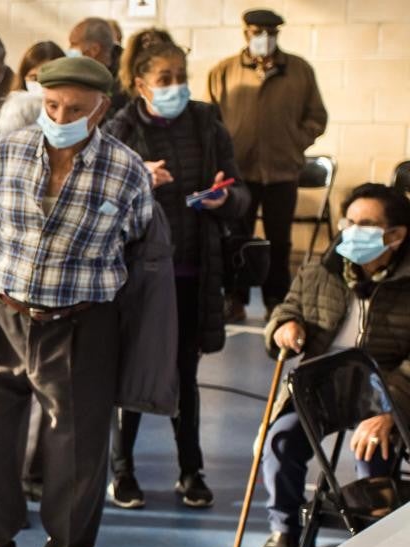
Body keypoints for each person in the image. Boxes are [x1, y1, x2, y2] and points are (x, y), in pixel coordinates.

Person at [0, 57, 154, 547]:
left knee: (77, 454)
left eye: (75, 110)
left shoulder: (127, 170)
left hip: (81, 324)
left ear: (102, 108)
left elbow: (139, 250)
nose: (59, 117)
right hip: (3, 315)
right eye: (52, 106)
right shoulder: (6, 152)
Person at [103, 29, 251, 509]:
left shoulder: (207, 122)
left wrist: (227, 199)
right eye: (164, 78)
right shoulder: (121, 128)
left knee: (186, 377)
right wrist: (137, 181)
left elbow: (241, 192)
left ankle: (192, 470)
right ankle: (122, 471)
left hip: (196, 273)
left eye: (182, 77)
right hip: (141, 280)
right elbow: (100, 206)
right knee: (134, 373)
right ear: (141, 84)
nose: (176, 86)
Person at [258, 183, 410, 547]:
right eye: (350, 222)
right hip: (321, 381)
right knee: (280, 440)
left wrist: (391, 408)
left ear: (396, 235)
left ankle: (372, 543)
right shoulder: (320, 270)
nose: (351, 231)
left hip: (384, 385)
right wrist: (284, 326)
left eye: (366, 224)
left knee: (374, 449)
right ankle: (286, 531)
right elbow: (286, 308)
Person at [208, 8, 328, 322]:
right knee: (238, 237)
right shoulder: (224, 71)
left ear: (278, 34)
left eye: (270, 32)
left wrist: (294, 142)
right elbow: (209, 119)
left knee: (279, 238)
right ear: (244, 33)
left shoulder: (299, 70)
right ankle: (236, 298)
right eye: (256, 32)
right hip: (239, 171)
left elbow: (317, 117)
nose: (263, 38)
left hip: (282, 170)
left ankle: (278, 299)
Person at [68, 17, 128, 117]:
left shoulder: (124, 83)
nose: (69, 49)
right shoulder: (79, 73)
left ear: (94, 50)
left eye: (73, 44)